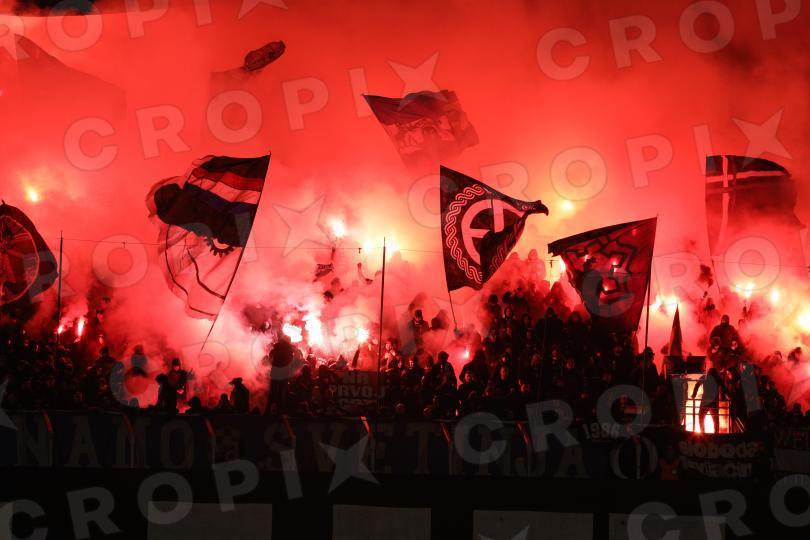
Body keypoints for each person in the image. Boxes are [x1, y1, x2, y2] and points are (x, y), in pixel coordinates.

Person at [267, 334, 296, 414]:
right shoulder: (289, 349)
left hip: (275, 371)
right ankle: (280, 411)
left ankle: (269, 410)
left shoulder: (276, 347)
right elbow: (290, 361)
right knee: (282, 391)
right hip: (284, 372)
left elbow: (270, 358)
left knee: (273, 391)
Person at [691, 367, 725, 434]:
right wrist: (723, 397)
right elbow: (723, 387)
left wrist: (694, 395)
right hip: (714, 401)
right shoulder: (718, 378)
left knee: (701, 417)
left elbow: (697, 385)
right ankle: (716, 433)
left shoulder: (704, 377)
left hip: (705, 401)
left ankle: (703, 432)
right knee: (715, 419)